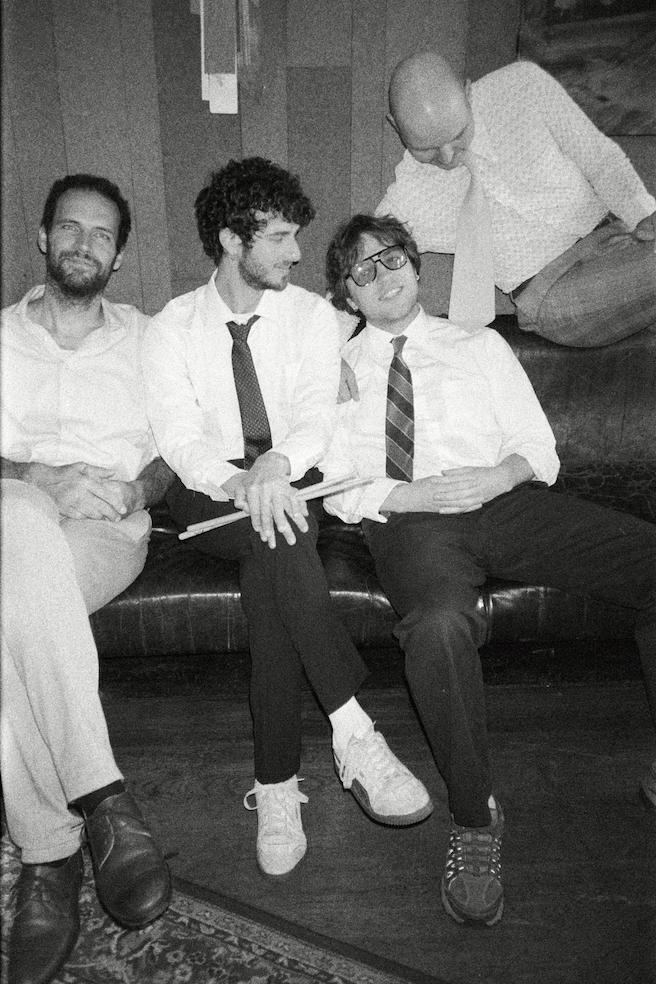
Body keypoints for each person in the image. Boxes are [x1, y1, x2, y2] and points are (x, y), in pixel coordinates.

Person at [322, 212, 656, 926]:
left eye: (392, 259)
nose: (383, 277)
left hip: (504, 500)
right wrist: (410, 495)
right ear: (347, 295)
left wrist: (499, 475)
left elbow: (538, 445)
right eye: (362, 271)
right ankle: (474, 818)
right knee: (439, 627)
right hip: (411, 522)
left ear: (416, 265)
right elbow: (334, 486)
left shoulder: (479, 344)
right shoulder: (332, 371)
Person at [141, 157, 433, 879]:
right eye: (277, 237)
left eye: (295, 236)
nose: (296, 253)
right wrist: (241, 480)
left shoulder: (308, 316)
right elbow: (178, 438)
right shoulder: (172, 327)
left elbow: (315, 415)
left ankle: (276, 786)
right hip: (206, 488)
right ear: (230, 240)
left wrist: (275, 467)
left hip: (291, 480)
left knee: (278, 541)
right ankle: (353, 729)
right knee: (279, 526)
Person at [1, 174, 173, 984]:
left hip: (106, 530)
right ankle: (99, 799)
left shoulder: (148, 339)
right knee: (15, 523)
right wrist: (36, 477)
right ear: (43, 238)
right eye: (69, 227)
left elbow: (177, 449)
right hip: (11, 516)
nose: (83, 243)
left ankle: (48, 854)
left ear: (119, 255)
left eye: (102, 234)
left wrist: (141, 489)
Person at [377, 50, 656, 347]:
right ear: (395, 125)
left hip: (620, 242)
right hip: (552, 292)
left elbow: (601, 161)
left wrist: (644, 217)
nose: (447, 157)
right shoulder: (407, 197)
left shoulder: (522, 87)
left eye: (458, 135)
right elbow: (359, 259)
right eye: (427, 149)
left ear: (468, 92)